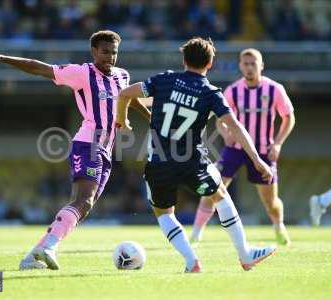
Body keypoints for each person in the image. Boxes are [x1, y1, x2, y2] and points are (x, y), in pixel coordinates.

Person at [0, 30, 151, 270]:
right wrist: (1, 58)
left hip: (106, 150)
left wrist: (150, 117)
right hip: (88, 144)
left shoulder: (122, 76)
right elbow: (40, 67)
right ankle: (49, 246)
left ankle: (31, 257)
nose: (110, 57)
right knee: (83, 199)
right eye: (105, 52)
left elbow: (129, 99)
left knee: (85, 205)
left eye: (114, 52)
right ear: (93, 52)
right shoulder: (81, 73)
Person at [116, 37, 276, 273]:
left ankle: (192, 261)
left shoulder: (164, 80)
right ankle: (245, 254)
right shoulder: (210, 92)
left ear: (184, 60)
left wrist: (122, 119)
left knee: (163, 212)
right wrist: (256, 158)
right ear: (210, 64)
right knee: (220, 194)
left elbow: (125, 94)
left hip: (159, 161)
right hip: (192, 161)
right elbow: (235, 127)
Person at [191, 48, 295, 246]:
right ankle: (196, 234)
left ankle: (279, 227)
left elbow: (289, 117)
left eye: (253, 63)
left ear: (261, 66)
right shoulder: (233, 90)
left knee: (270, 202)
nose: (249, 67)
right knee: (212, 188)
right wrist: (225, 133)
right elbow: (220, 120)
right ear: (240, 66)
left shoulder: (275, 90)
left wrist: (279, 143)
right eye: (245, 64)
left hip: (263, 150)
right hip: (235, 150)